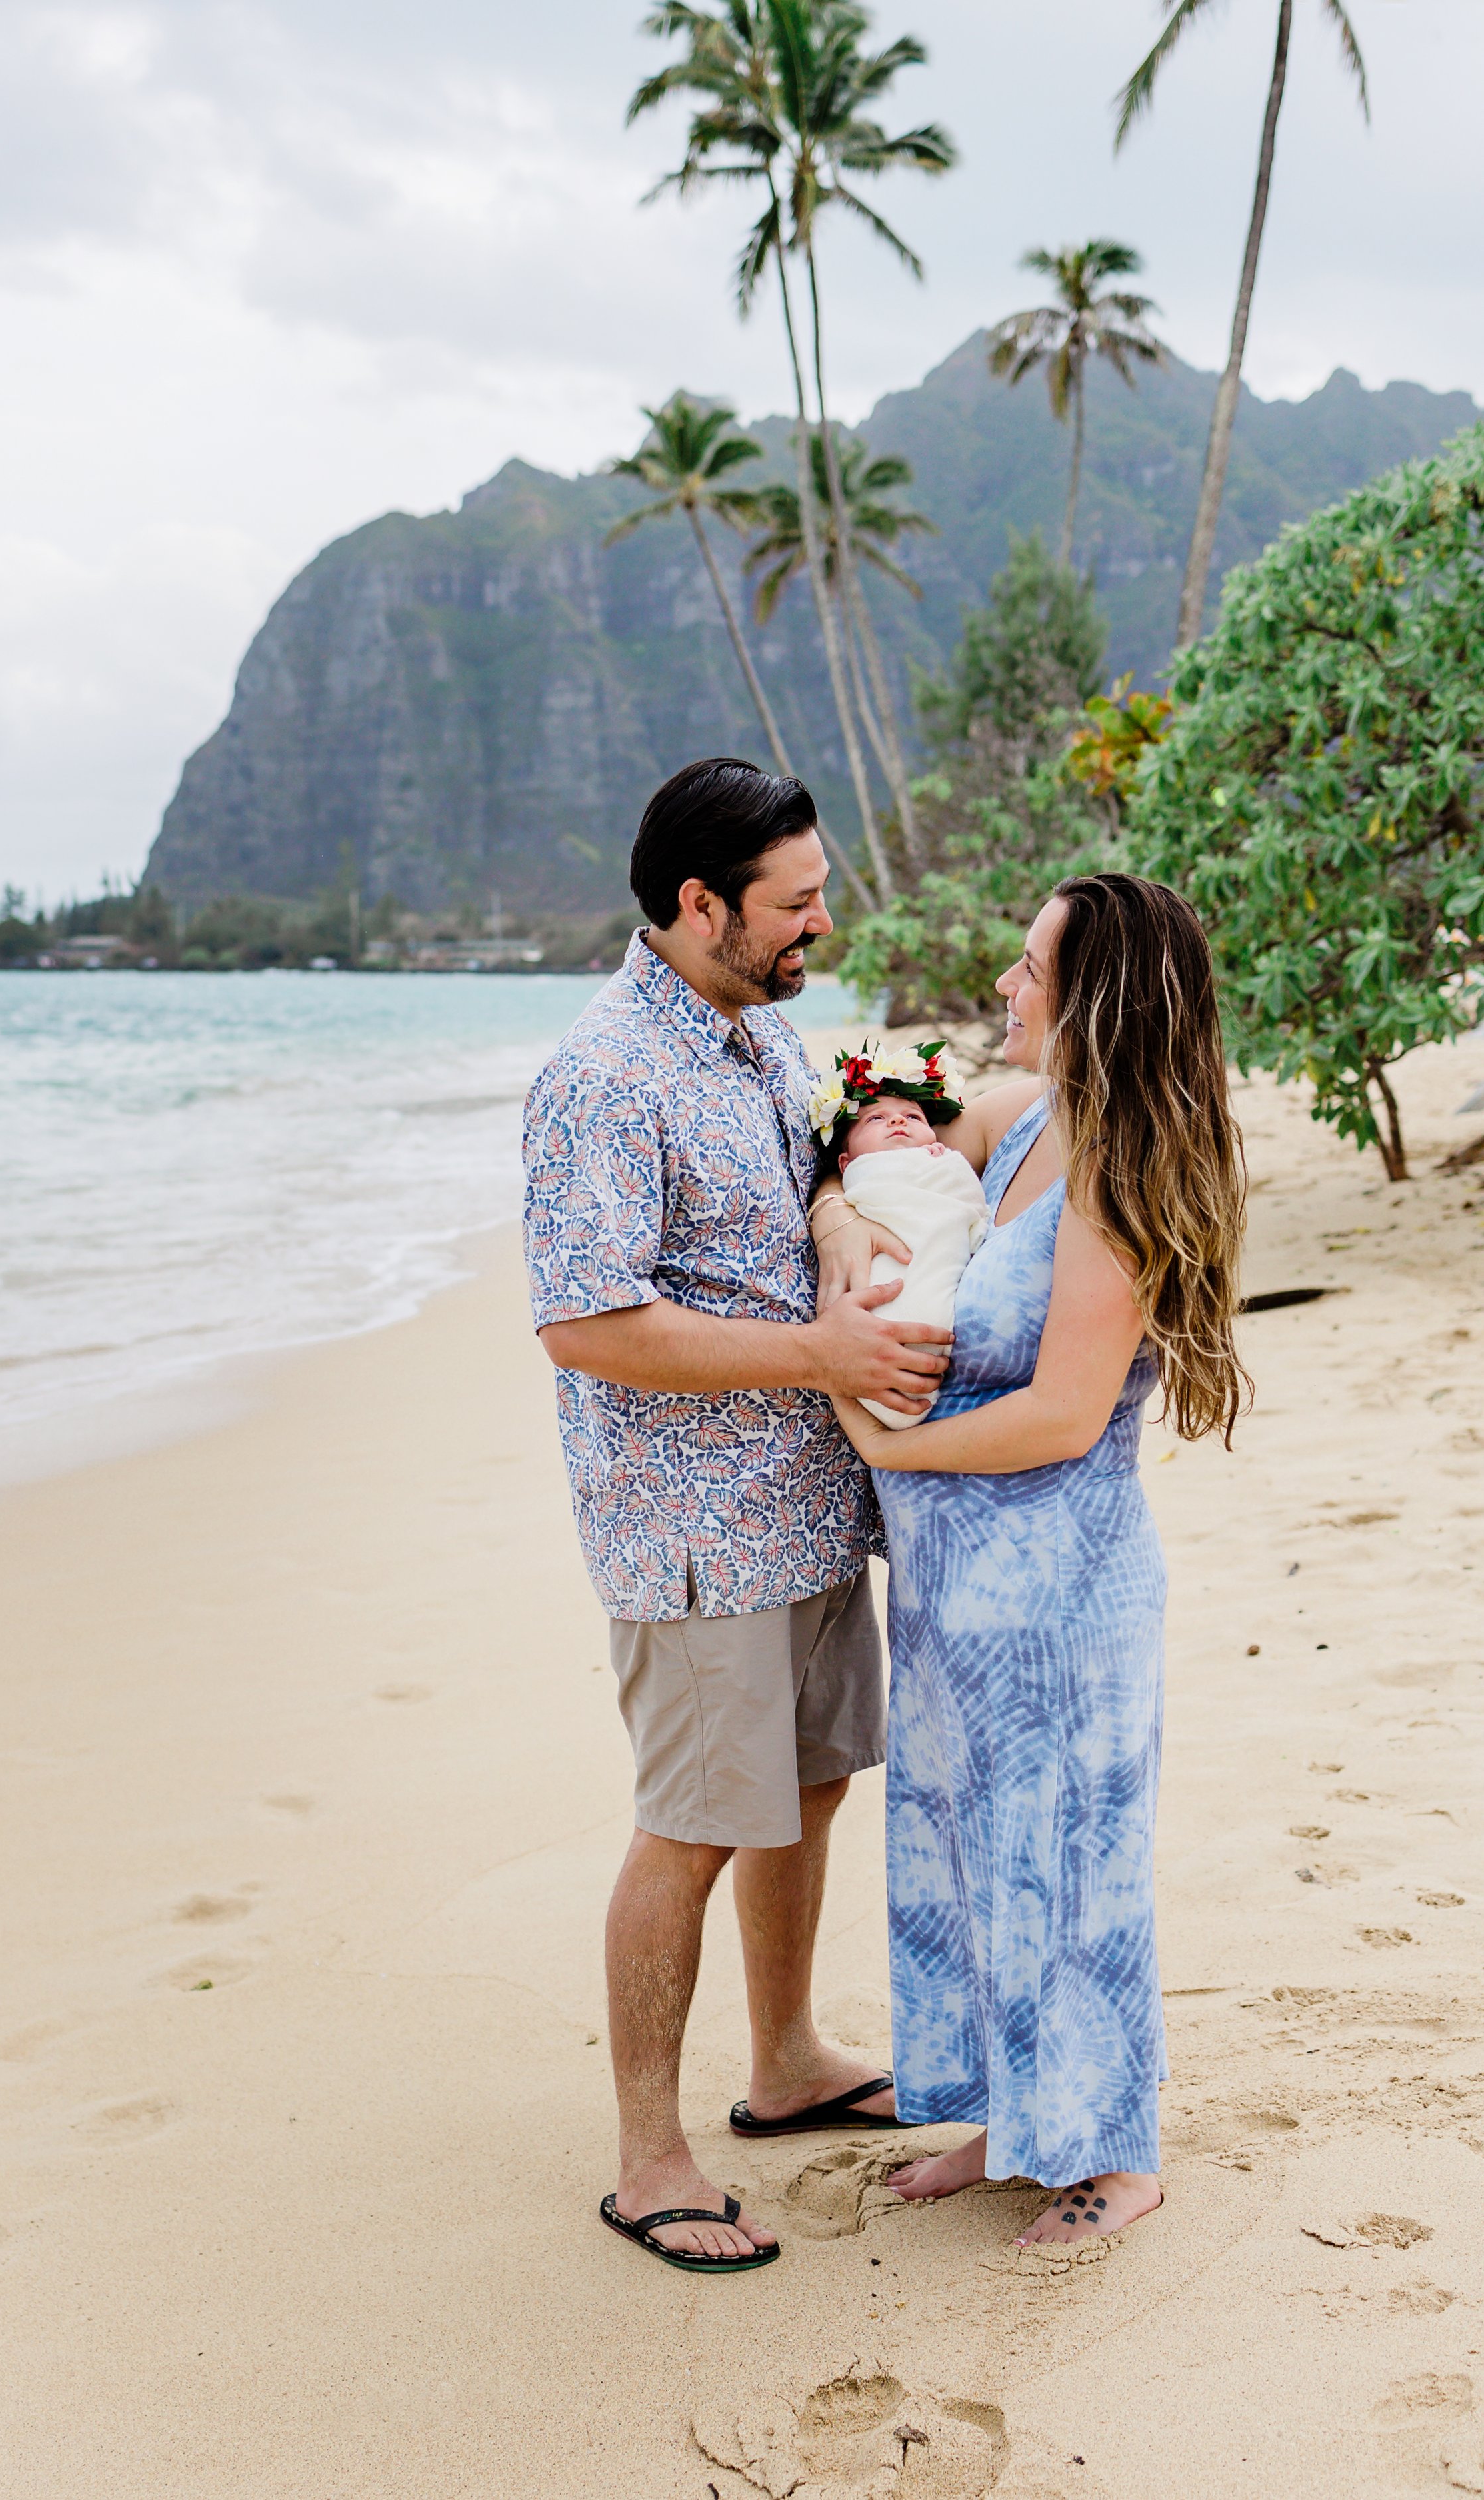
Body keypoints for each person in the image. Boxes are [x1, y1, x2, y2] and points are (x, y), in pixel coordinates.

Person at [522, 756, 949, 2275]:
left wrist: (838, 1223)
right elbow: (589, 1321)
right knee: (694, 1824)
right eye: (795, 899)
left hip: (815, 1503)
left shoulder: (753, 1033)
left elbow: (814, 1167)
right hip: (693, 1532)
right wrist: (827, 1350)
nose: (820, 921)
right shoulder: (601, 1075)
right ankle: (648, 2155)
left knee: (814, 1780)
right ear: (699, 904)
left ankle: (787, 2060)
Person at [822, 873, 1249, 2248]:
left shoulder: (1123, 1167)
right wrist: (842, 1233)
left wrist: (887, 1454)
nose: (1002, 990)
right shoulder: (1028, 1127)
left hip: (1059, 1598)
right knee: (966, 1856)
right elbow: (860, 1142)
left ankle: (1114, 2153)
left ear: (1094, 1003)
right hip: (954, 1598)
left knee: (1065, 1867)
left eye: (1026, 972)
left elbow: (1062, 1414)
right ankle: (1014, 2121)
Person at [809, 1045, 990, 1428]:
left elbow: (970, 1210)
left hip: (933, 1293)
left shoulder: (943, 1166)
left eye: (912, 1115)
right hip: (864, 1324)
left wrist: (945, 1166)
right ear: (846, 1163)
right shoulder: (857, 1180)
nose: (897, 1122)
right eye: (875, 1120)